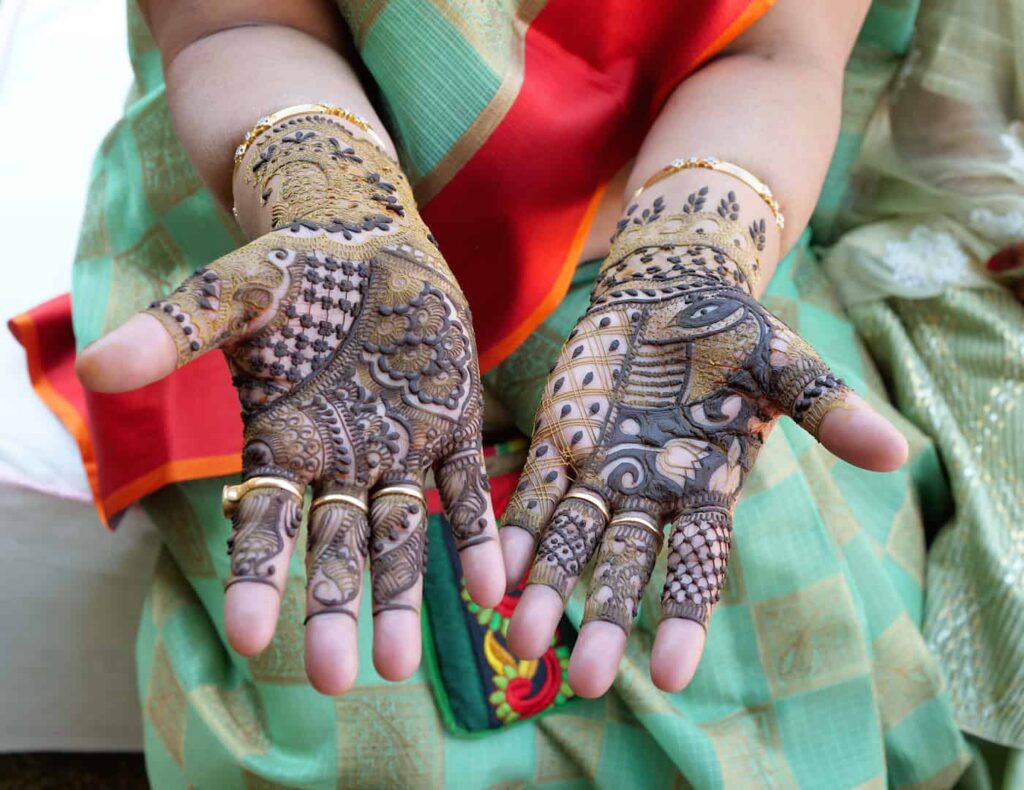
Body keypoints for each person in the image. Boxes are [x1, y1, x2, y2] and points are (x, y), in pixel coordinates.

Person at [62, 0, 1014, 785]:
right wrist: (332, 203)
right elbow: (238, 26)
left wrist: (691, 260)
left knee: (817, 683)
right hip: (301, 245)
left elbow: (778, 51)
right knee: (344, 730)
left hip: (664, 226)